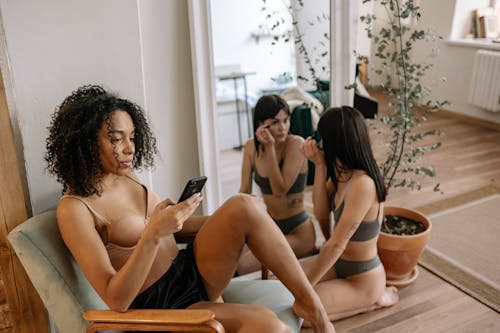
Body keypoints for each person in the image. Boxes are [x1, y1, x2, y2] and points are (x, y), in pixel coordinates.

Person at [45, 85, 335, 333]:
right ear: (84, 143)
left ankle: (312, 304)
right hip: (160, 307)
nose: (130, 148)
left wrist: (233, 218)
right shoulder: (75, 209)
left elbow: (173, 230)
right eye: (117, 139)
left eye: (132, 137)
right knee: (270, 327)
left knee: (243, 205)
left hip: (188, 270)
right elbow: (115, 299)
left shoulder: (126, 177)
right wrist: (154, 234)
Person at [299, 106, 399, 323]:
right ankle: (361, 300)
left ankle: (372, 302)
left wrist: (304, 289)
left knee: (303, 313)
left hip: (362, 280)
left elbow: (336, 244)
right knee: (280, 283)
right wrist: (319, 165)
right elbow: (321, 213)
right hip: (338, 264)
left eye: (322, 137)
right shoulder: (342, 173)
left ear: (335, 142)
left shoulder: (363, 184)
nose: (319, 143)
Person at [238, 94, 317, 275]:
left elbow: (279, 190)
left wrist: (270, 148)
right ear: (260, 125)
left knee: (244, 267)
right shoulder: (251, 147)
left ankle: (306, 252)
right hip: (270, 225)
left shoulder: (296, 144)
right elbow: (244, 191)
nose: (283, 128)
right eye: (275, 122)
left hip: (300, 232)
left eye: (286, 120)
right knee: (231, 257)